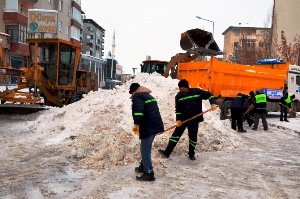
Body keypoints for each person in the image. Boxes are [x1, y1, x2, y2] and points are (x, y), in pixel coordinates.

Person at [158, 79, 217, 160]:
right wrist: (178, 119)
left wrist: (212, 103)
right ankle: (167, 152)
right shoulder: (178, 96)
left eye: (181, 88)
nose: (179, 89)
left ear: (186, 87)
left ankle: (191, 154)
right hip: (183, 120)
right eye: (179, 88)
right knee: (175, 136)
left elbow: (209, 95)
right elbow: (178, 109)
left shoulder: (197, 92)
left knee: (193, 138)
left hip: (194, 119)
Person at [129, 83, 164, 181]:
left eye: (131, 93)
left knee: (145, 150)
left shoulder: (137, 97)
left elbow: (139, 111)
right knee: (145, 148)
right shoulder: (148, 95)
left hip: (148, 126)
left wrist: (136, 124)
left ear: (133, 91)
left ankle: (149, 173)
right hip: (153, 125)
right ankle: (143, 165)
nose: (132, 95)